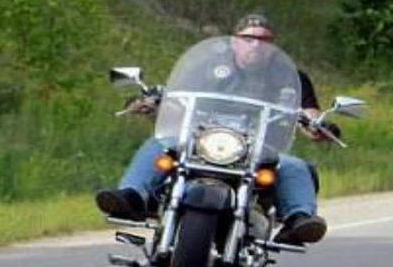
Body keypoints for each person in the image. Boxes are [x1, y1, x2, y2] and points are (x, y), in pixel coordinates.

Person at [94, 13, 331, 245]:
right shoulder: (209, 66)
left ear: (273, 45)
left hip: (259, 146)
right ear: (234, 41)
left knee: (294, 166)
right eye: (248, 38)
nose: (256, 45)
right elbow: (178, 94)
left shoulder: (290, 77)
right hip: (202, 139)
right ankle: (131, 196)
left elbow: (308, 111)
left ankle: (299, 219)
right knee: (160, 145)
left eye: (264, 40)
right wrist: (153, 102)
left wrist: (318, 124)